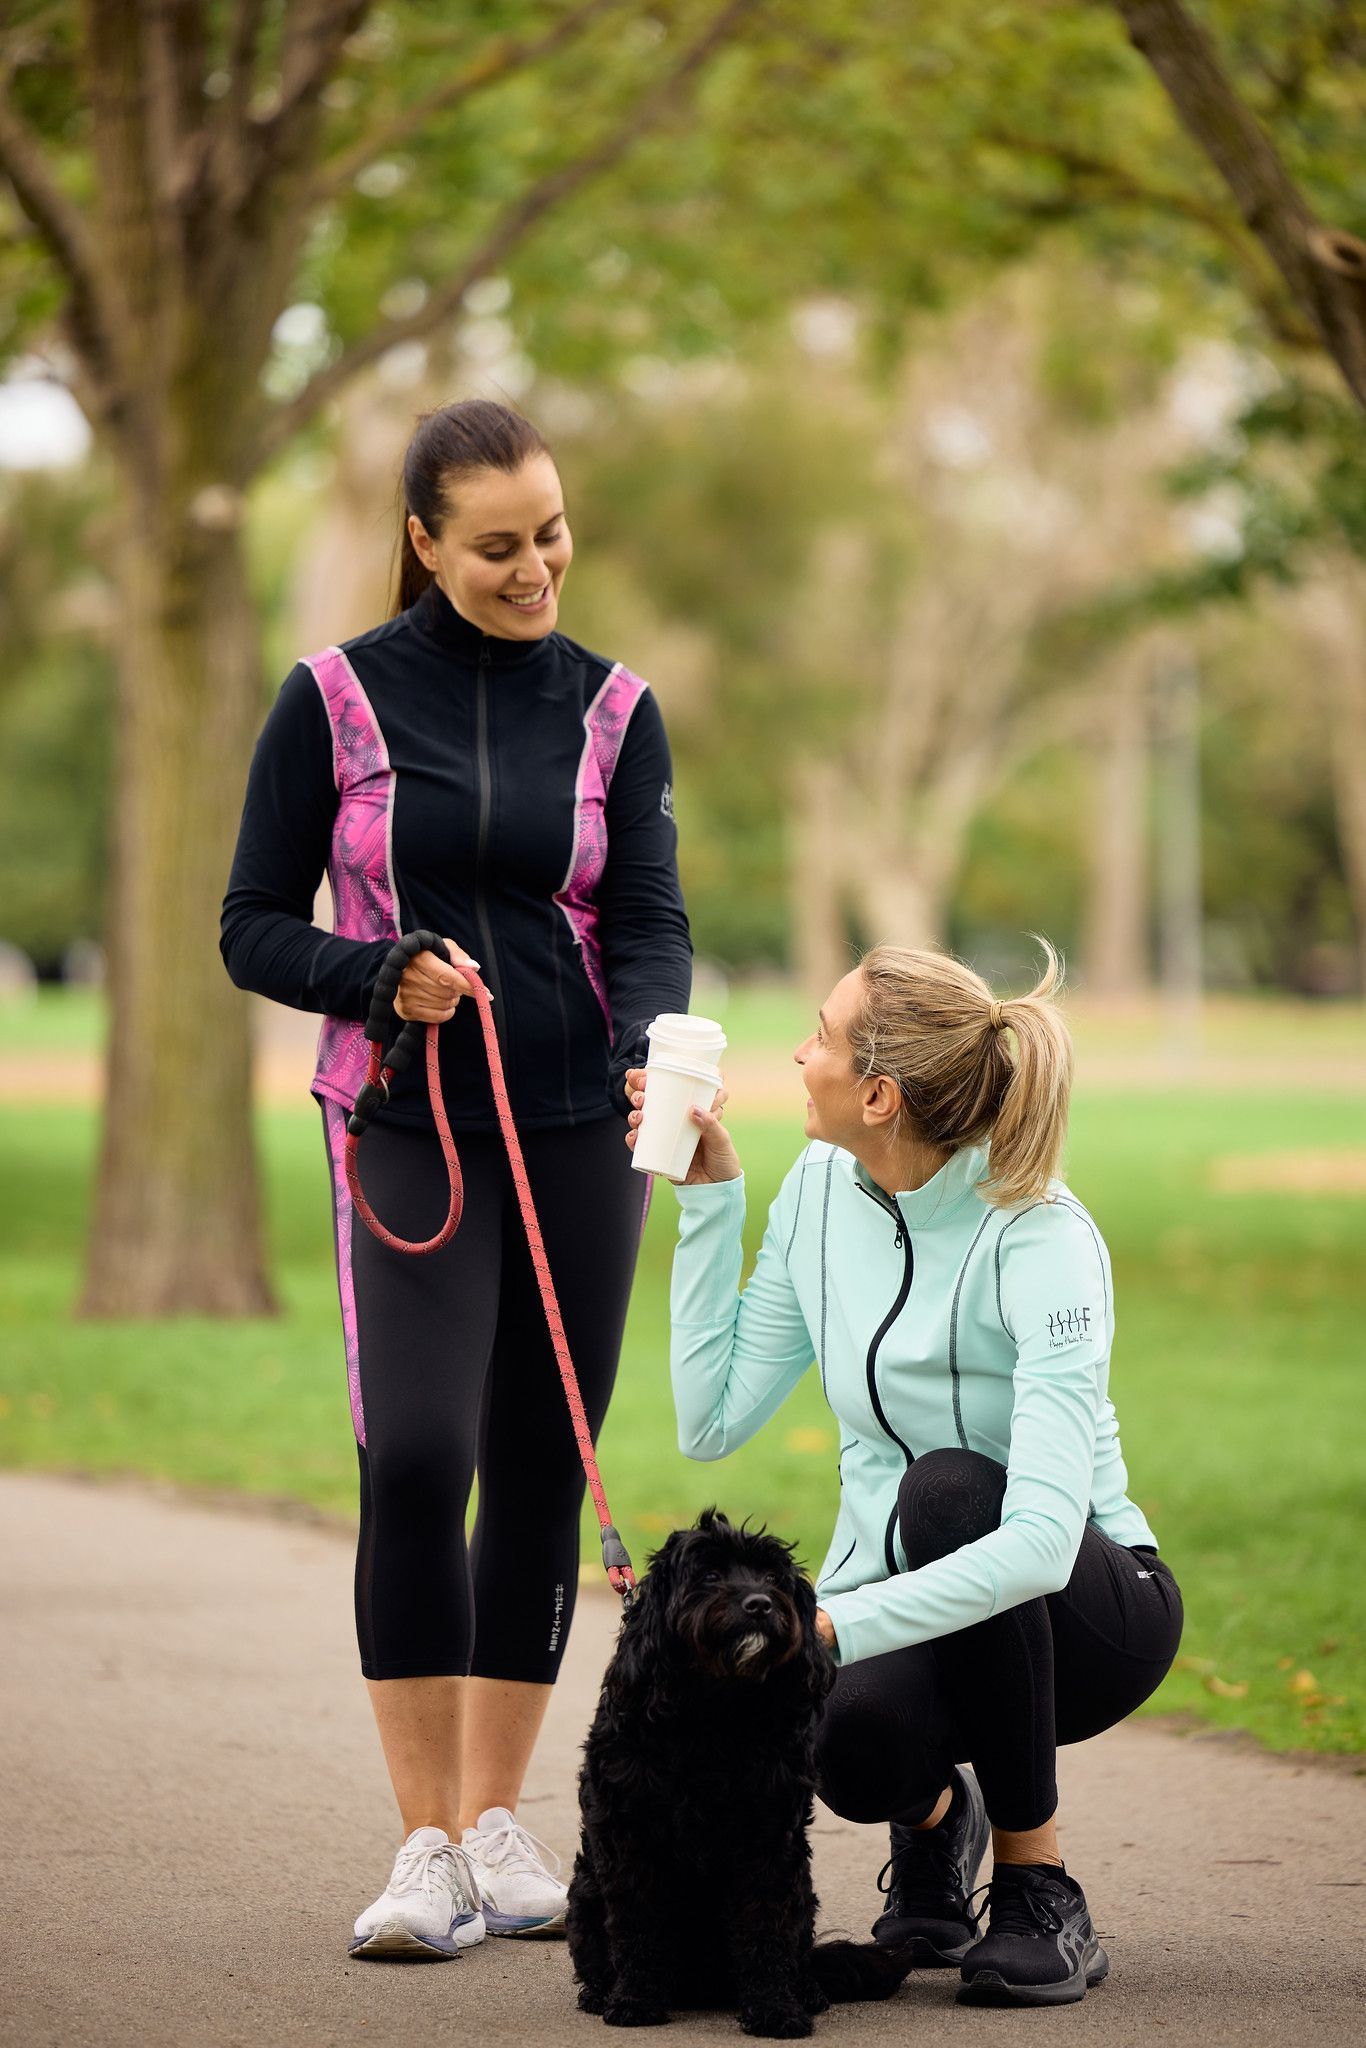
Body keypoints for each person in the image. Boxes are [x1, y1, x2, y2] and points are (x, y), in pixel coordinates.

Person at [222, 398, 691, 1958]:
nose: (534, 566)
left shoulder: (617, 711)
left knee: (541, 1467)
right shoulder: (335, 701)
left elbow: (647, 917)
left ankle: (500, 1824)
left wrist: (641, 1048)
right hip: (406, 1128)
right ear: (425, 541)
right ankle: (419, 1846)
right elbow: (249, 924)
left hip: (575, 1129)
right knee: (416, 1458)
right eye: (496, 545)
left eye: (550, 533)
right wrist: (375, 976)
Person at [624, 942, 1182, 2008]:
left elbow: (1033, 1542)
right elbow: (711, 1418)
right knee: (843, 1742)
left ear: (878, 1093)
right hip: (907, 1593)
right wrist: (711, 1204)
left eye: (820, 1036)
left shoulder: (1043, 1235)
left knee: (951, 1492)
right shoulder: (822, 1190)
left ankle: (1035, 1884)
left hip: (1092, 1607)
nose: (797, 1051)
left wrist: (831, 1625)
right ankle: (937, 1830)